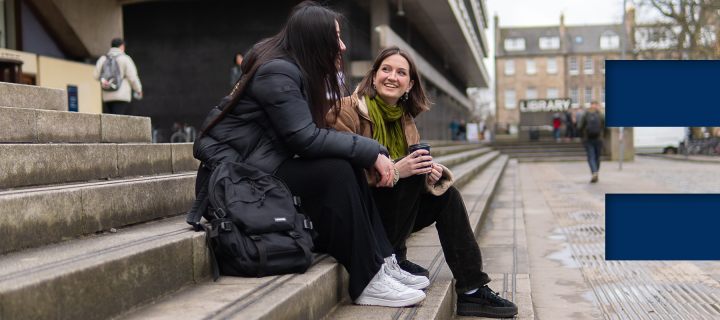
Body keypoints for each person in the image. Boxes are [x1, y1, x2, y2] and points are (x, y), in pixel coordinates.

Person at [192, 2, 428, 308]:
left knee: (345, 165)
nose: (342, 46)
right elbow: (304, 139)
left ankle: (384, 261)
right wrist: (372, 151)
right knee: (339, 171)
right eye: (336, 39)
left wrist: (365, 153)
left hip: (258, 169)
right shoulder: (278, 72)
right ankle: (368, 280)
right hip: (232, 182)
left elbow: (303, 137)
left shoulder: (292, 69)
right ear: (316, 41)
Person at [329, 46, 518, 318]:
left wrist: (429, 172)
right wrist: (397, 170)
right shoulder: (346, 111)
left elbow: (409, 171)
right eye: (386, 69)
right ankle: (394, 259)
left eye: (401, 72)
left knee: (447, 195)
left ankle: (472, 290)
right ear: (373, 77)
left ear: (410, 84)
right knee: (409, 174)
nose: (392, 77)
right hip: (358, 217)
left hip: (389, 214)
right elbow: (337, 175)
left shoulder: (406, 119)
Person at [93, 38, 142, 115]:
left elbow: (96, 76)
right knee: (117, 120)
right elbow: (132, 77)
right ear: (122, 46)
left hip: (107, 95)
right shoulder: (125, 59)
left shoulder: (103, 59)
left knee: (110, 119)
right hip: (121, 95)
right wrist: (138, 90)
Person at [577, 101, 606, 183]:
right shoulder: (601, 114)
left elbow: (579, 126)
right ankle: (596, 173)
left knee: (591, 157)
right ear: (598, 106)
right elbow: (607, 127)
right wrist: (603, 135)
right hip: (599, 139)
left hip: (588, 139)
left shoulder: (585, 114)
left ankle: (594, 173)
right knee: (597, 157)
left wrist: (583, 136)